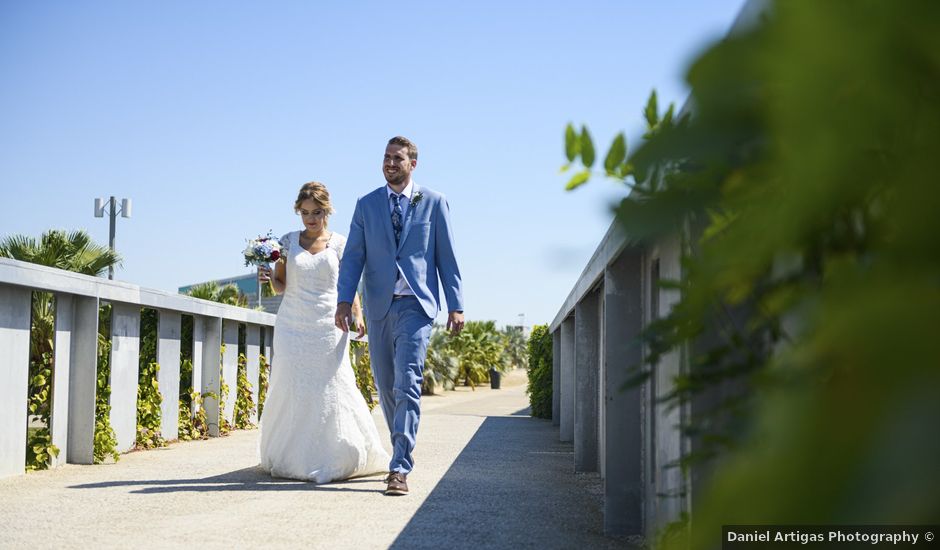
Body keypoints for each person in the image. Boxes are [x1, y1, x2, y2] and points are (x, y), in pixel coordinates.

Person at [335, 136, 464, 496]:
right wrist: (345, 301)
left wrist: (456, 304)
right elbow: (353, 259)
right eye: (387, 157)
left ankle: (399, 467)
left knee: (407, 384)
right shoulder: (366, 205)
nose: (390, 163)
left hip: (416, 307)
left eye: (398, 158)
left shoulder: (434, 203)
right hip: (378, 306)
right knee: (387, 387)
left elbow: (447, 258)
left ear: (413, 164)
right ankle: (399, 447)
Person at [257, 181, 390, 483]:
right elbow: (281, 285)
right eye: (304, 213)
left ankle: (336, 454)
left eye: (316, 212)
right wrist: (268, 279)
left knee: (332, 384)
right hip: (291, 325)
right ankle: (293, 457)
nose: (310, 219)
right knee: (292, 384)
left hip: (330, 325)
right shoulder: (287, 242)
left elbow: (350, 285)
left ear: (327, 211)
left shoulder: (341, 243)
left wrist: (357, 315)